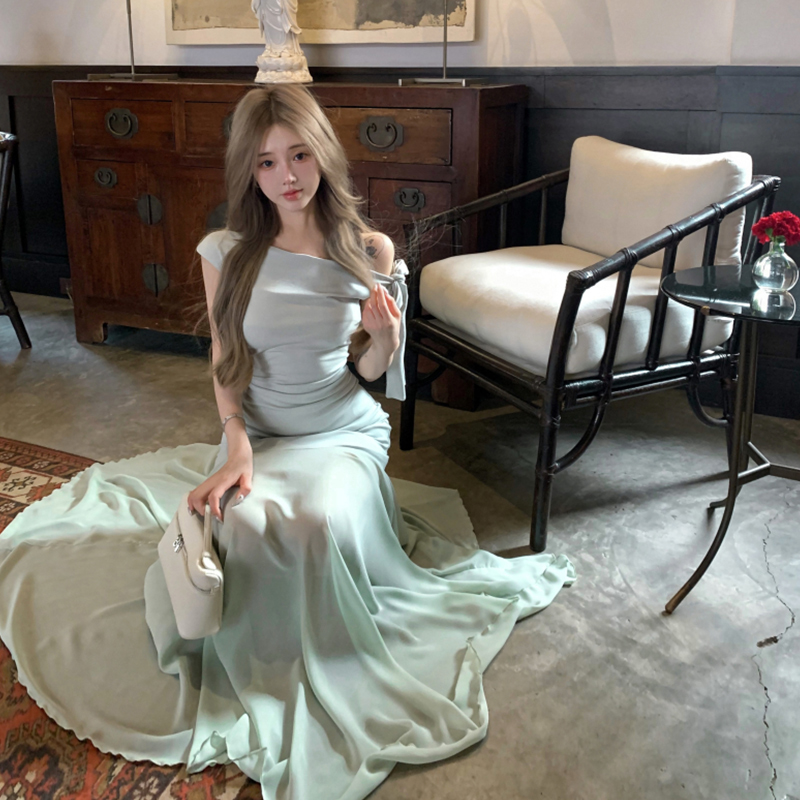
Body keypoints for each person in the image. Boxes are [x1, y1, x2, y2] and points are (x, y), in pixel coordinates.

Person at [0, 85, 574, 800]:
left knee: (313, 523)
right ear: (250, 171)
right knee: (239, 524)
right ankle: (260, 665)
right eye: (267, 162)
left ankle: (323, 656)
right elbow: (224, 361)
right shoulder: (227, 251)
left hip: (341, 429)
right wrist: (237, 442)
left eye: (299, 155)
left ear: (323, 154)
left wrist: (387, 336)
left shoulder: (368, 249)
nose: (287, 176)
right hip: (261, 432)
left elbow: (373, 374)